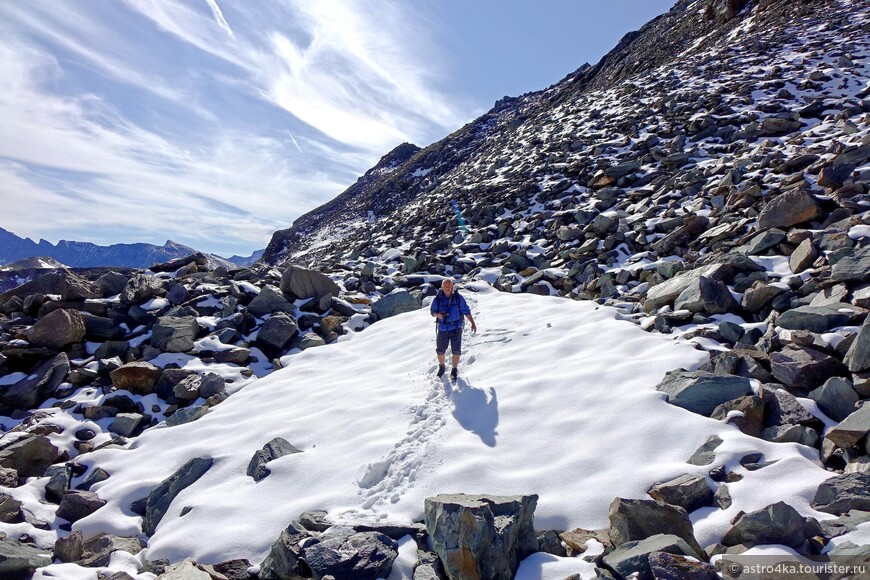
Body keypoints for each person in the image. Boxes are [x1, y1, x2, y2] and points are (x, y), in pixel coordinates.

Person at [430, 278, 477, 380]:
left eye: (449, 286)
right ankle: (442, 366)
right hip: (443, 328)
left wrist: (472, 322)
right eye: (445, 286)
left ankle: (454, 370)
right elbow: (432, 311)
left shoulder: (458, 298)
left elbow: (466, 310)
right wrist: (437, 314)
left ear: (452, 287)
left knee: (456, 350)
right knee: (440, 350)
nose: (447, 288)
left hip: (456, 327)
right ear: (442, 287)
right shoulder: (437, 299)